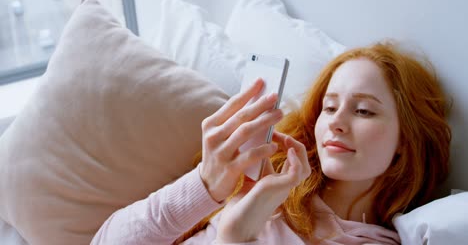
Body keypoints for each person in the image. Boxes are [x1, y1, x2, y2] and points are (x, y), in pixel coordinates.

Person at [91, 42, 451, 244]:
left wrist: (235, 235)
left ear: (406, 138)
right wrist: (205, 185)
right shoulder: (261, 185)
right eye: (329, 106)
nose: (336, 122)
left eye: (363, 111)